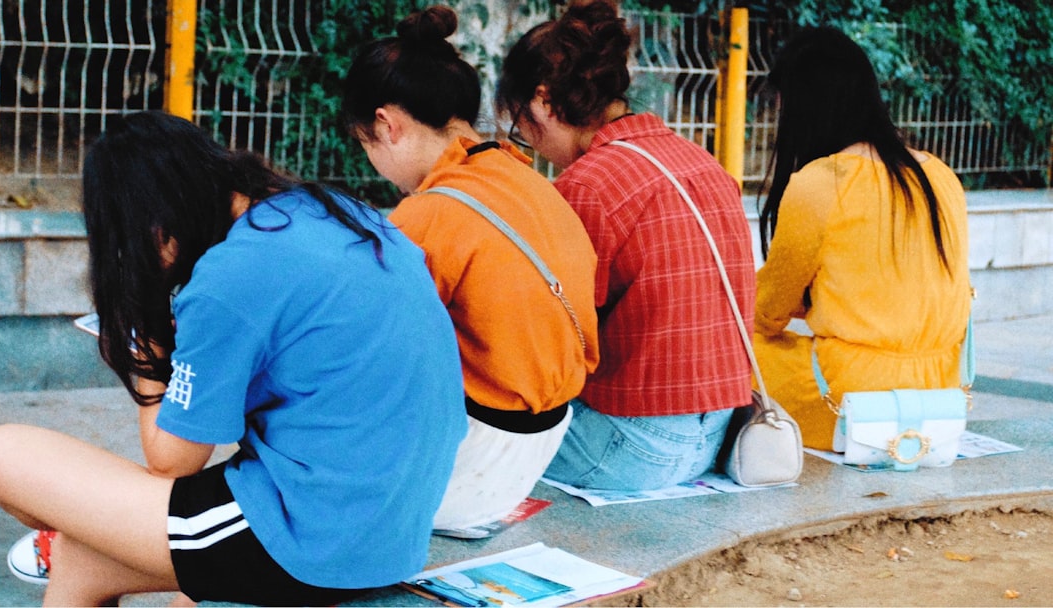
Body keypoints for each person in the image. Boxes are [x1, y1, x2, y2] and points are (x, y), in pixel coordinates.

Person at [0, 110, 466, 606]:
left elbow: (172, 463)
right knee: (87, 560)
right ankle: (91, 528)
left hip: (317, 536)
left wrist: (145, 346)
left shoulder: (227, 279)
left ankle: (83, 526)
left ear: (152, 223)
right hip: (392, 521)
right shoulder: (326, 209)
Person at [341, 6, 600, 531]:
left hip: (468, 467)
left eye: (365, 144)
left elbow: (363, 348)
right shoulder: (527, 181)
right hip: (538, 449)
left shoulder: (429, 212)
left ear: (386, 125)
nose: (373, 162)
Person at [496, 0, 756, 491]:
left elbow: (547, 340)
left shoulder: (588, 185)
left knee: (467, 432)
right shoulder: (700, 161)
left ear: (543, 102)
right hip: (719, 437)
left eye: (519, 125)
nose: (528, 142)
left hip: (630, 449)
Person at [751, 26, 971, 450]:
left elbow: (766, 312)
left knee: (736, 345)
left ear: (804, 104)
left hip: (850, 398)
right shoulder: (941, 175)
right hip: (940, 393)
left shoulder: (823, 182)